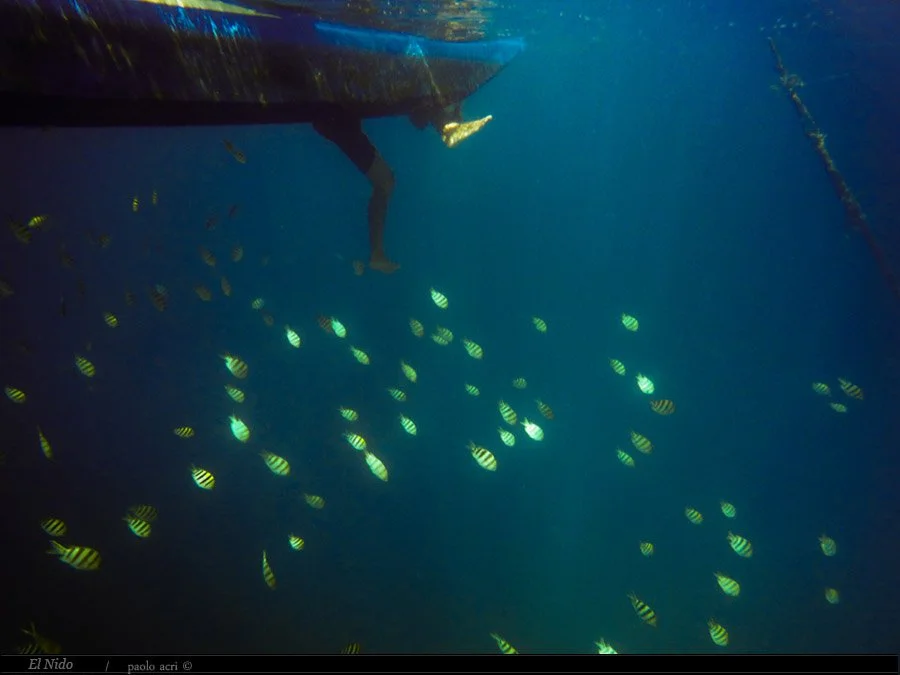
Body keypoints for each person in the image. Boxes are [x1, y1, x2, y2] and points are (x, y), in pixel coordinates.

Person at [312, 103, 492, 274]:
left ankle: (377, 254)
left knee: (385, 181)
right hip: (336, 119)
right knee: (384, 181)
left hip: (337, 121)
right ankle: (446, 125)